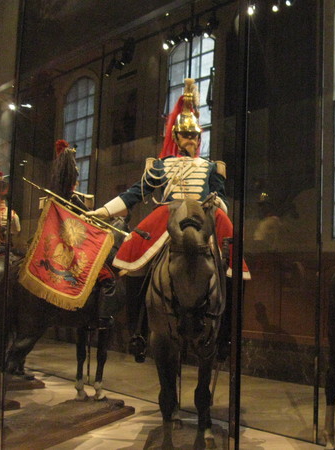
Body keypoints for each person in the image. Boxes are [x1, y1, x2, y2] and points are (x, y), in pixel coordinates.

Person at [86, 78, 231, 362]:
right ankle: (138, 330)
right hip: (168, 215)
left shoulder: (212, 167)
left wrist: (215, 210)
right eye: (186, 136)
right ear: (176, 138)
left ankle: (224, 334)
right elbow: (135, 193)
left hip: (201, 216)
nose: (191, 140)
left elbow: (221, 195)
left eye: (195, 136)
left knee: (231, 263)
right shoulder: (162, 165)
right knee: (134, 258)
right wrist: (103, 211)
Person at [0, 172, 21, 254]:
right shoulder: (12, 214)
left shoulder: (12, 214)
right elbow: (17, 230)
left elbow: (17, 230)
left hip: (4, 249)